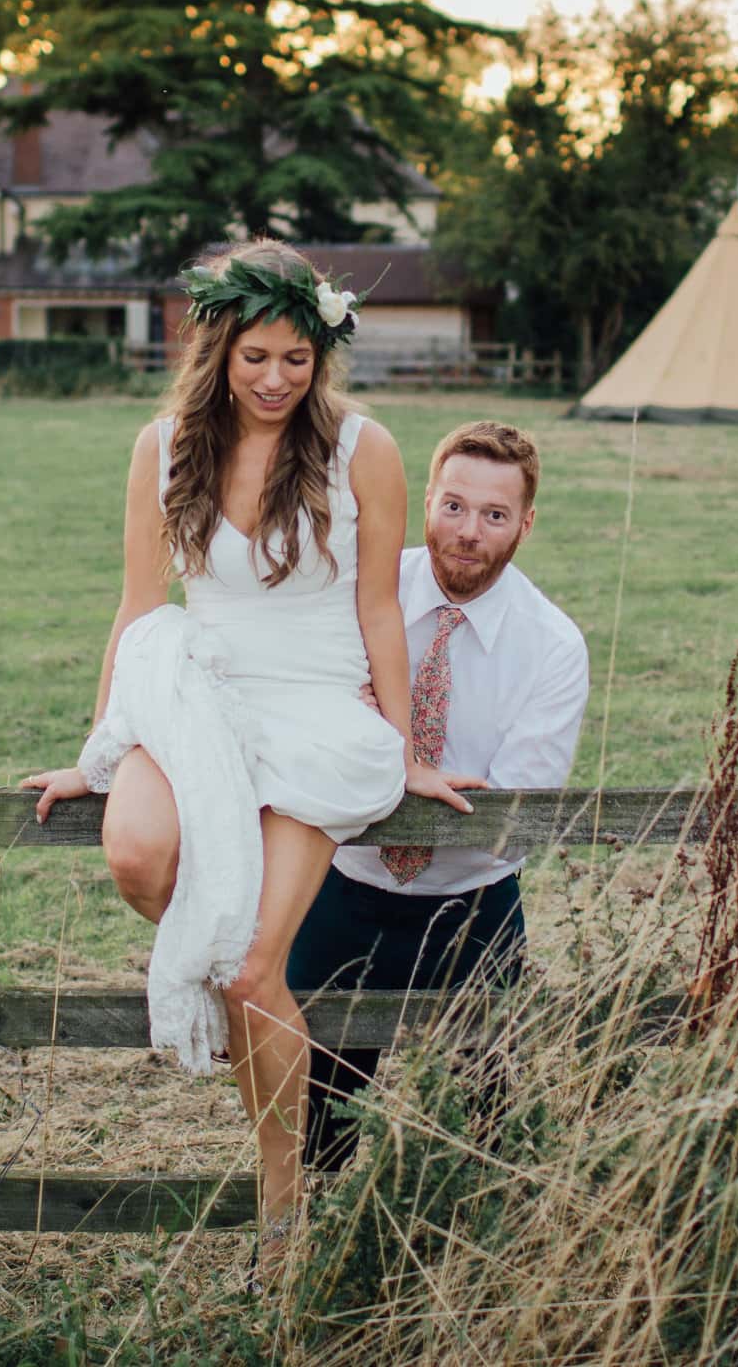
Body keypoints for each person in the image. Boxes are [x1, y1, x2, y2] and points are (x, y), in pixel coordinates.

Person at [17, 240, 473, 1248]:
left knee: (253, 968)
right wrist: (97, 749)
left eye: (297, 359)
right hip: (196, 688)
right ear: (218, 348)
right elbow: (139, 607)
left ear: (322, 354)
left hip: (314, 708)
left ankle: (281, 1202)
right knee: (137, 853)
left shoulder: (365, 449)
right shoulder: (165, 446)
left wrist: (408, 752)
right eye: (256, 357)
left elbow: (380, 613)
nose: (276, 380)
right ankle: (242, 1007)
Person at [289, 420, 590, 1171]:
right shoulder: (362, 591)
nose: (468, 533)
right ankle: (302, 1258)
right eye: (453, 506)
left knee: (480, 1131)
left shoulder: (553, 645)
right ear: (426, 499)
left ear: (526, 522)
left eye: (494, 516)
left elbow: (509, 819)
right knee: (313, 1118)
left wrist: (367, 760)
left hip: (472, 909)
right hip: (343, 892)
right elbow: (305, 735)